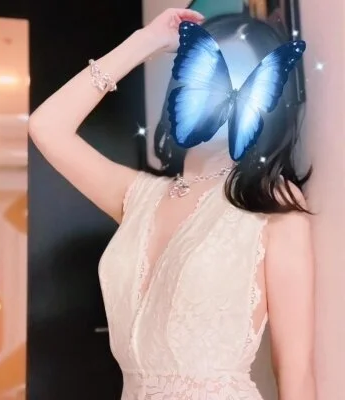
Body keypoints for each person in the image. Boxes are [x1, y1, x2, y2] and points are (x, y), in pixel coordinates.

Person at [28, 8, 316, 400]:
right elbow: (46, 126)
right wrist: (145, 41)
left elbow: (296, 373)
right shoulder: (139, 197)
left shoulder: (270, 202)